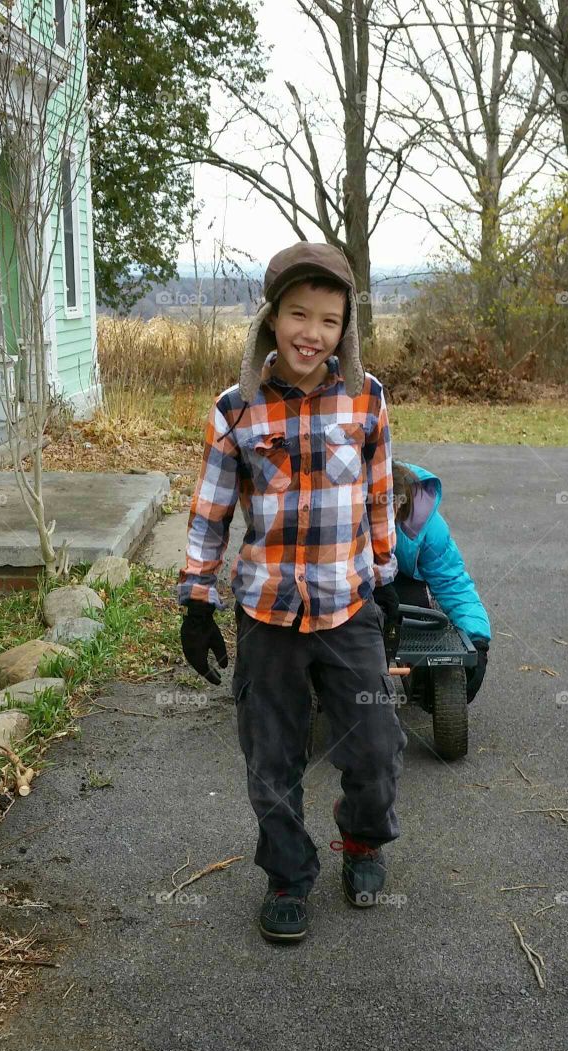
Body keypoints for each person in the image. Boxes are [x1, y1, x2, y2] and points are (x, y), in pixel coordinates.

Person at [176, 242, 407, 945]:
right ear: (272, 318)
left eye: (330, 320)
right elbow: (211, 511)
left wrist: (387, 580)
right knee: (271, 759)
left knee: (374, 748)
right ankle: (287, 876)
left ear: (346, 330)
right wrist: (196, 601)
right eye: (299, 314)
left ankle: (361, 843)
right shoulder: (235, 409)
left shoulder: (367, 399)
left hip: (348, 604)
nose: (313, 333)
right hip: (267, 611)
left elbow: (378, 497)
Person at [391, 461, 491, 703]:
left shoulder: (426, 525)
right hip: (347, 580)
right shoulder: (338, 510)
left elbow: (451, 581)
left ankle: (423, 674)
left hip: (399, 581)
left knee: (419, 611)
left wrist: (477, 640)